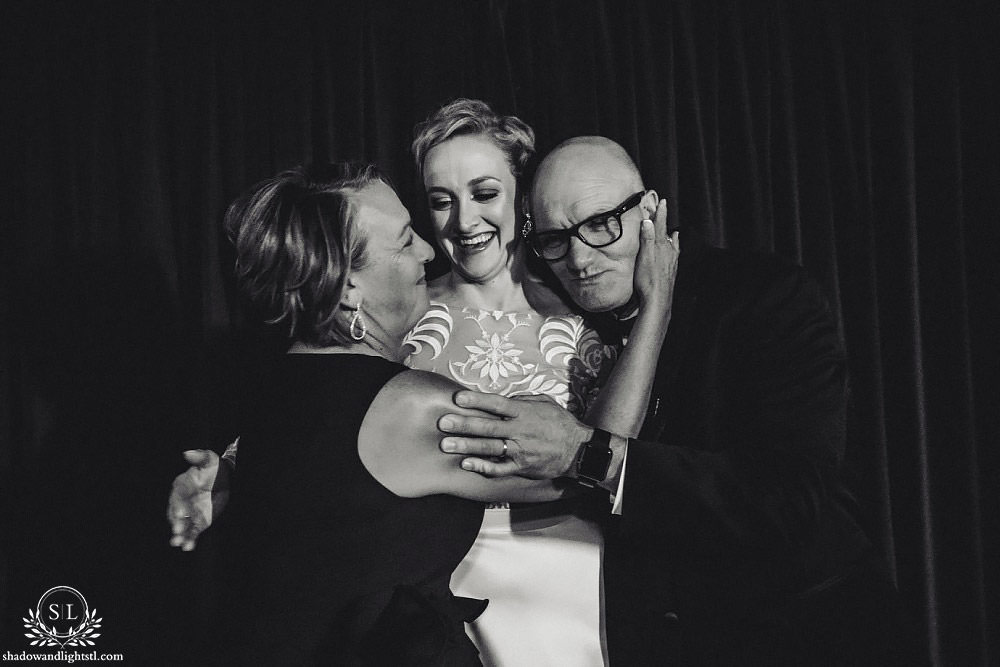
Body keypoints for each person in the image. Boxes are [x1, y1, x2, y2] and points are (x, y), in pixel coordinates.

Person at [169, 101, 679, 665]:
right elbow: (328, 435)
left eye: (485, 194)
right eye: (439, 202)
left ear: (525, 199)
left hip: (577, 585)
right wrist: (233, 470)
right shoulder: (404, 312)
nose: (460, 223)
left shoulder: (590, 302)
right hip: (440, 596)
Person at [436, 136, 903, 664]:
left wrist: (586, 454)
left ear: (650, 212)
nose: (580, 259)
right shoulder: (564, 327)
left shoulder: (764, 296)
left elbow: (789, 497)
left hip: (811, 634)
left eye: (599, 224)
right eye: (556, 239)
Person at [213, 161, 579, 665]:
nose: (429, 251)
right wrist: (655, 311)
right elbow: (583, 465)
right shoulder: (410, 409)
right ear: (348, 290)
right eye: (406, 241)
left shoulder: (270, 391)